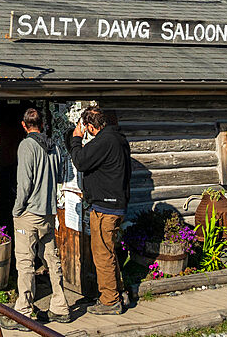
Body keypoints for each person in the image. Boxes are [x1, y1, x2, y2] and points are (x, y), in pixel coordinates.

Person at [1, 107, 70, 331]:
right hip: (48, 212)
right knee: (51, 259)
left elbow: (25, 182)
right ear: (42, 124)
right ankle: (61, 305)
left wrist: (16, 209)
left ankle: (23, 311)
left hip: (29, 213)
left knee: (25, 262)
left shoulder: (26, 146)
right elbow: (60, 176)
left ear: (24, 125)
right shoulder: (54, 147)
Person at [68, 106, 131, 315]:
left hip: (106, 207)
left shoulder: (104, 141)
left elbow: (80, 161)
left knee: (102, 255)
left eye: (86, 126)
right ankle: (117, 292)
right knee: (109, 252)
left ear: (90, 126)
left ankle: (109, 301)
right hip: (115, 205)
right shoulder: (117, 138)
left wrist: (76, 138)